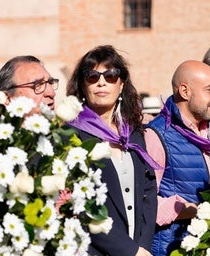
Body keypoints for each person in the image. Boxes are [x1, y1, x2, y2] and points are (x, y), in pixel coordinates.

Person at [66, 45, 158, 256]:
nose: (101, 82)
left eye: (110, 75)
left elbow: (148, 191)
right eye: (92, 76)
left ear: (121, 83)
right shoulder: (72, 135)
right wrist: (128, 250)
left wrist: (143, 246)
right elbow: (80, 204)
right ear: (82, 84)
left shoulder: (132, 132)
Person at [144, 60, 210, 255]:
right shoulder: (157, 136)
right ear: (185, 91)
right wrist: (187, 209)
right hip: (170, 247)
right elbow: (144, 202)